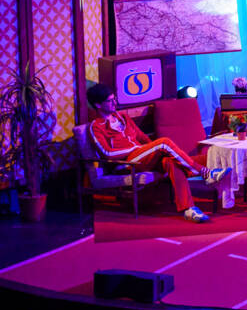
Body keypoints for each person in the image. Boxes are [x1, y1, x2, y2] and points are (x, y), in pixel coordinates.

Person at [86, 84, 228, 223]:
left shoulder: (122, 117)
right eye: (109, 101)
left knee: (170, 162)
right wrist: (137, 149)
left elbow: (142, 137)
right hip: (127, 163)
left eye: (114, 99)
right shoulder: (96, 127)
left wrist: (151, 149)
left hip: (143, 157)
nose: (114, 103)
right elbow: (107, 153)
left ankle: (188, 209)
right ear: (98, 105)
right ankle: (205, 173)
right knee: (163, 142)